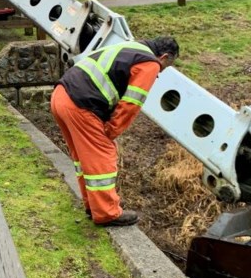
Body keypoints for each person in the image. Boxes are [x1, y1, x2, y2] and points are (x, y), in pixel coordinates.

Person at [50, 36, 180, 226]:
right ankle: (106, 213)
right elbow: (131, 103)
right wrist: (111, 130)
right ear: (164, 56)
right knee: (102, 156)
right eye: (165, 66)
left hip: (61, 96)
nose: (160, 71)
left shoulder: (130, 47)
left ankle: (92, 205)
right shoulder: (149, 64)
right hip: (81, 105)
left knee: (83, 158)